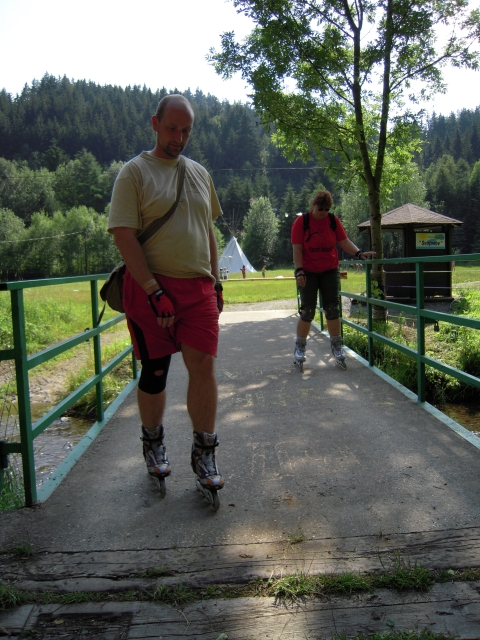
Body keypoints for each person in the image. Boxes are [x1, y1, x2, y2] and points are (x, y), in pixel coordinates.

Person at [107, 94, 224, 502]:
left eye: (186, 130)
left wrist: (216, 282)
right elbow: (123, 235)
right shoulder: (134, 173)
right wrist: (154, 290)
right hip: (150, 289)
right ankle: (153, 443)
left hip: (198, 289)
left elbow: (207, 231)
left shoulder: (200, 173)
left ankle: (204, 454)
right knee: (156, 371)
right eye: (172, 128)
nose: (179, 137)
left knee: (203, 366)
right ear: (155, 123)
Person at [291, 189, 375, 367]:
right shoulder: (302, 222)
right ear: (313, 205)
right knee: (307, 310)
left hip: (329, 269)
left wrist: (359, 253)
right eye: (320, 209)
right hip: (307, 270)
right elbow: (297, 248)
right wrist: (299, 271)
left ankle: (337, 346)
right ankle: (300, 347)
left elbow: (344, 241)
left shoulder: (332, 220)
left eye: (327, 209)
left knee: (332, 309)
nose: (323, 212)